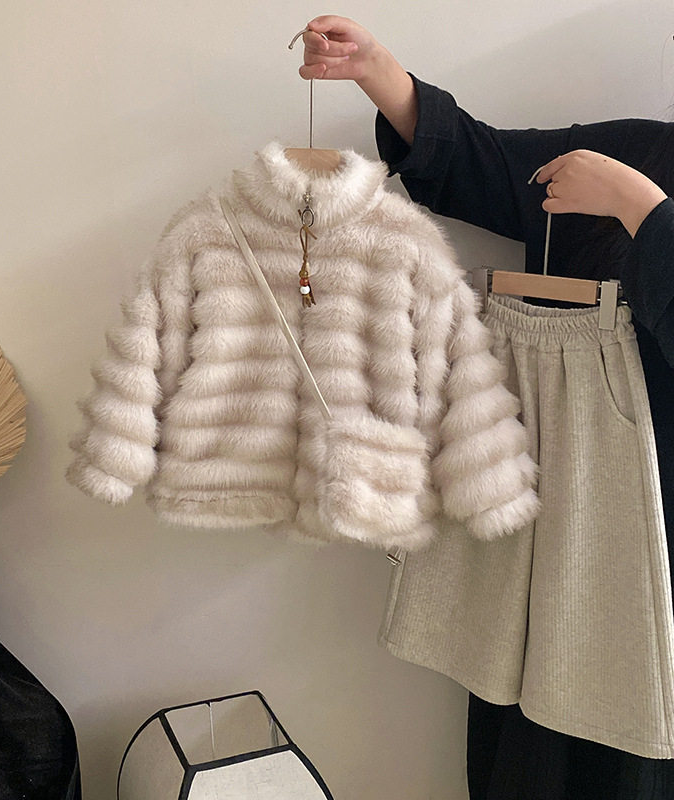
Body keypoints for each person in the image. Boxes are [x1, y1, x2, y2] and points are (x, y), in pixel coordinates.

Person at [298, 15, 674, 800]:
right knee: (530, 744)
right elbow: (491, 166)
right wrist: (379, 72)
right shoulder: (643, 148)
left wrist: (641, 209)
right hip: (555, 526)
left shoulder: (633, 177)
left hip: (660, 556)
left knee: (635, 754)